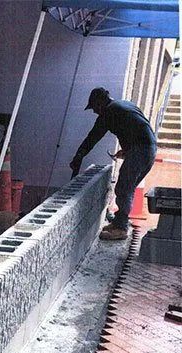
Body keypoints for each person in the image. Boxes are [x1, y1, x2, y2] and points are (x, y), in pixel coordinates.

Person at [70, 87, 157, 240]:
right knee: (127, 187)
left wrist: (79, 155)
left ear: (100, 103)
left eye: (94, 108)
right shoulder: (124, 105)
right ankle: (119, 222)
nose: (94, 112)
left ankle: (121, 228)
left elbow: (93, 137)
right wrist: (129, 150)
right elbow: (139, 128)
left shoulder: (109, 112)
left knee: (124, 187)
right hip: (148, 149)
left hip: (141, 150)